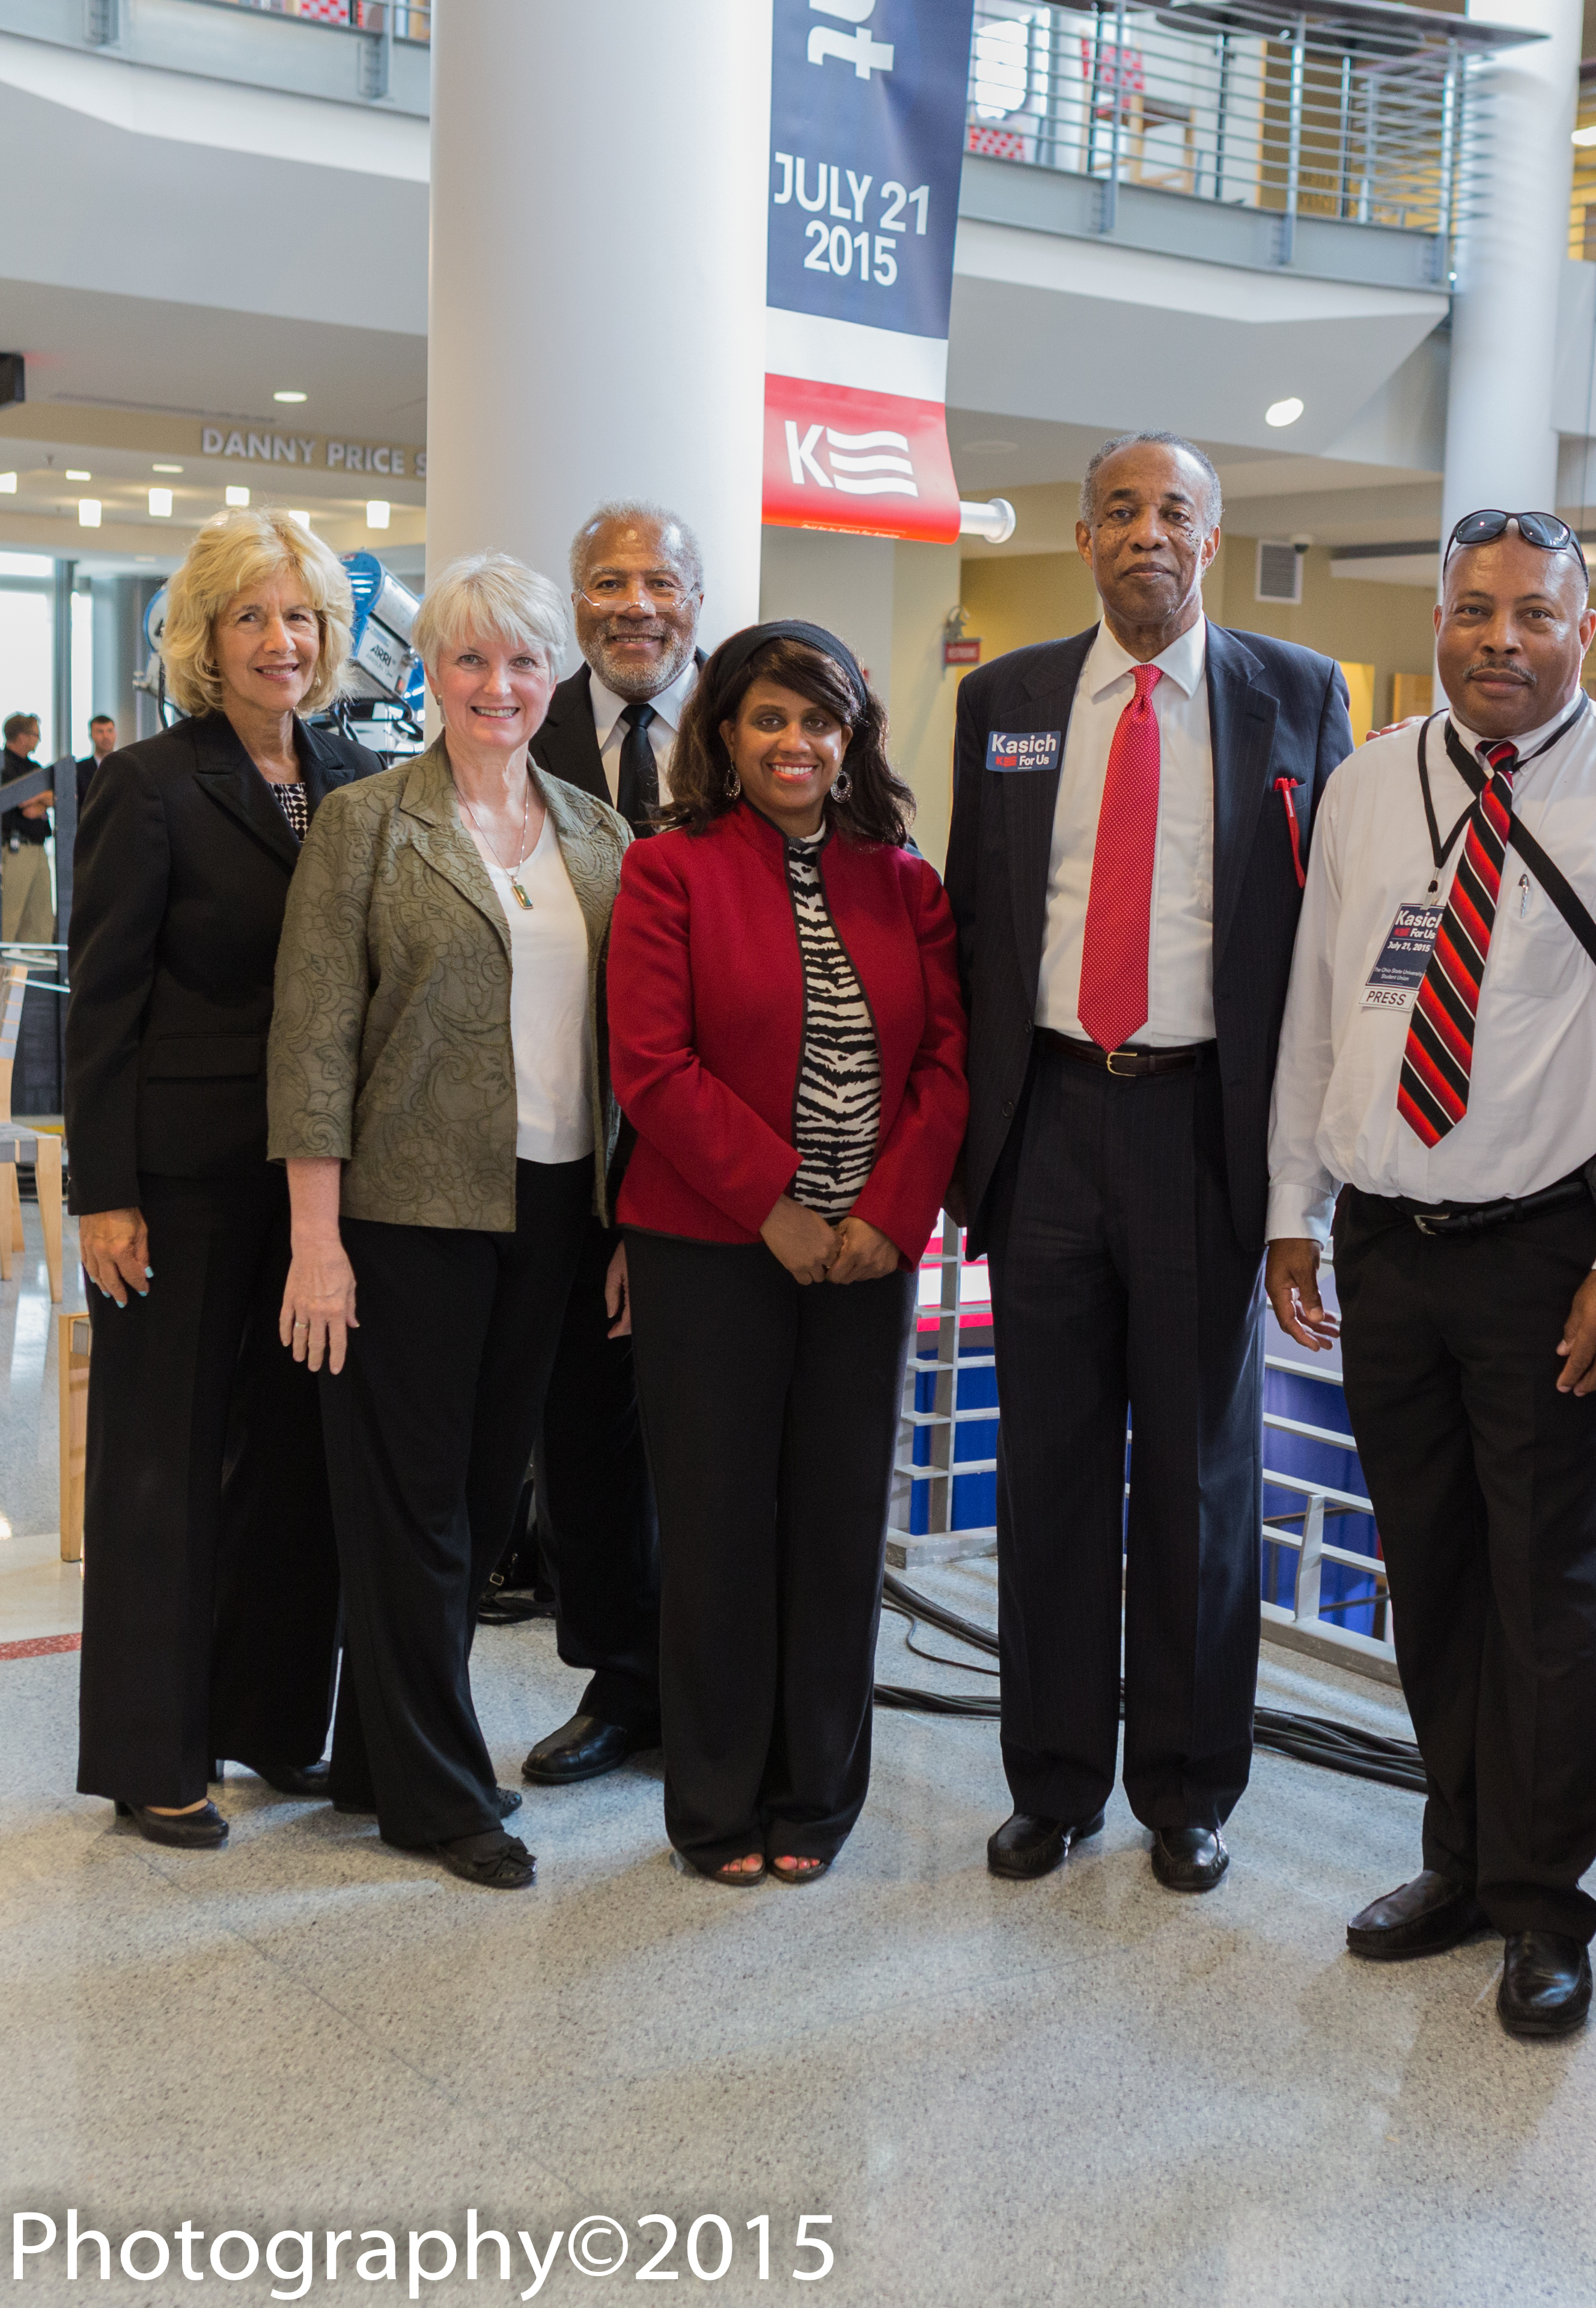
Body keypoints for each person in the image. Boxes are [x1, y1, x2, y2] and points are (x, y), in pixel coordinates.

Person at [1264, 510, 1596, 2038]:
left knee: (1546, 1591)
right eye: (1471, 611)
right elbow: (1318, 1009)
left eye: (1533, 611)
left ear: (1583, 628)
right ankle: (1453, 1859)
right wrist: (1291, 1203)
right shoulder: (1365, 780)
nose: (1499, 638)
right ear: (1440, 624)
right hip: (1388, 1243)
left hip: (1550, 1254)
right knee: (1432, 1573)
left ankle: (1542, 1907)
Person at [943, 432, 1351, 1895]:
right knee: (1044, 1468)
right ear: (1080, 536)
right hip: (1046, 1118)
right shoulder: (1003, 700)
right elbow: (973, 922)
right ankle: (1048, 1780)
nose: (1145, 533)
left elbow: (1328, 940)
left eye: (1173, 509)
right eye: (1119, 510)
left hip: (1202, 1126)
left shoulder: (1297, 697)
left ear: (1213, 533)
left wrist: (1304, 1180)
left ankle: (1184, 1784)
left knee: (1197, 1474)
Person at [267, 550, 629, 1892]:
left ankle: (379, 1754)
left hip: (553, 1208)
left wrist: (628, 1225)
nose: (498, 684)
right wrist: (319, 1241)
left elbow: (625, 1049)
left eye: (524, 660)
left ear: (554, 677)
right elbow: (311, 1045)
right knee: (414, 1509)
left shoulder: (599, 834)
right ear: (428, 673)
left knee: (481, 1505)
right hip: (407, 1213)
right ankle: (435, 1793)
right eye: (470, 658)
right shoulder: (367, 825)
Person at [608, 621, 967, 1884]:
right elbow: (652, 1068)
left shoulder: (906, 881)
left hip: (866, 1262)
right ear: (724, 734)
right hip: (712, 1250)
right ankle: (714, 1806)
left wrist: (884, 1216)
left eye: (819, 720)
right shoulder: (670, 872)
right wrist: (776, 1207)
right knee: (715, 1531)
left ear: (853, 734)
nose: (795, 743)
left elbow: (944, 1065)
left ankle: (816, 1797)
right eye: (769, 718)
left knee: (832, 1528)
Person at [63, 507, 374, 1848]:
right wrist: (101, 1191)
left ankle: (267, 1716)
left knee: (299, 1456)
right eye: (251, 617)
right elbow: (103, 1000)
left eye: (300, 615)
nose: (280, 641)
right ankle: (152, 1753)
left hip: (323, 1178)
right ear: (203, 639)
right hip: (180, 1180)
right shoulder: (150, 783)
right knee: (164, 1458)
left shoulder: (356, 773)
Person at [507, 501, 708, 1787]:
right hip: (571, 1142)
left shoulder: (763, 719)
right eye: (605, 581)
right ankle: (622, 1682)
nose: (634, 604)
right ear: (574, 600)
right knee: (583, 1434)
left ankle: (720, 1678)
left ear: (700, 595)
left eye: (659, 580)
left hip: (715, 1155)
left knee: (710, 1436)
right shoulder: (524, 722)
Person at [0, 713, 56, 945]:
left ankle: (36, 966)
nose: (39, 740)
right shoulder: (1, 766)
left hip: (39, 848)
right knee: (11, 913)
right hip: (16, 848)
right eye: (36, 735)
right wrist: (38, 801)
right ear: (22, 736)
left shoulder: (35, 768)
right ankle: (1, 966)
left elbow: (57, 797)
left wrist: (37, 801)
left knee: (41, 914)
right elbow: (21, 802)